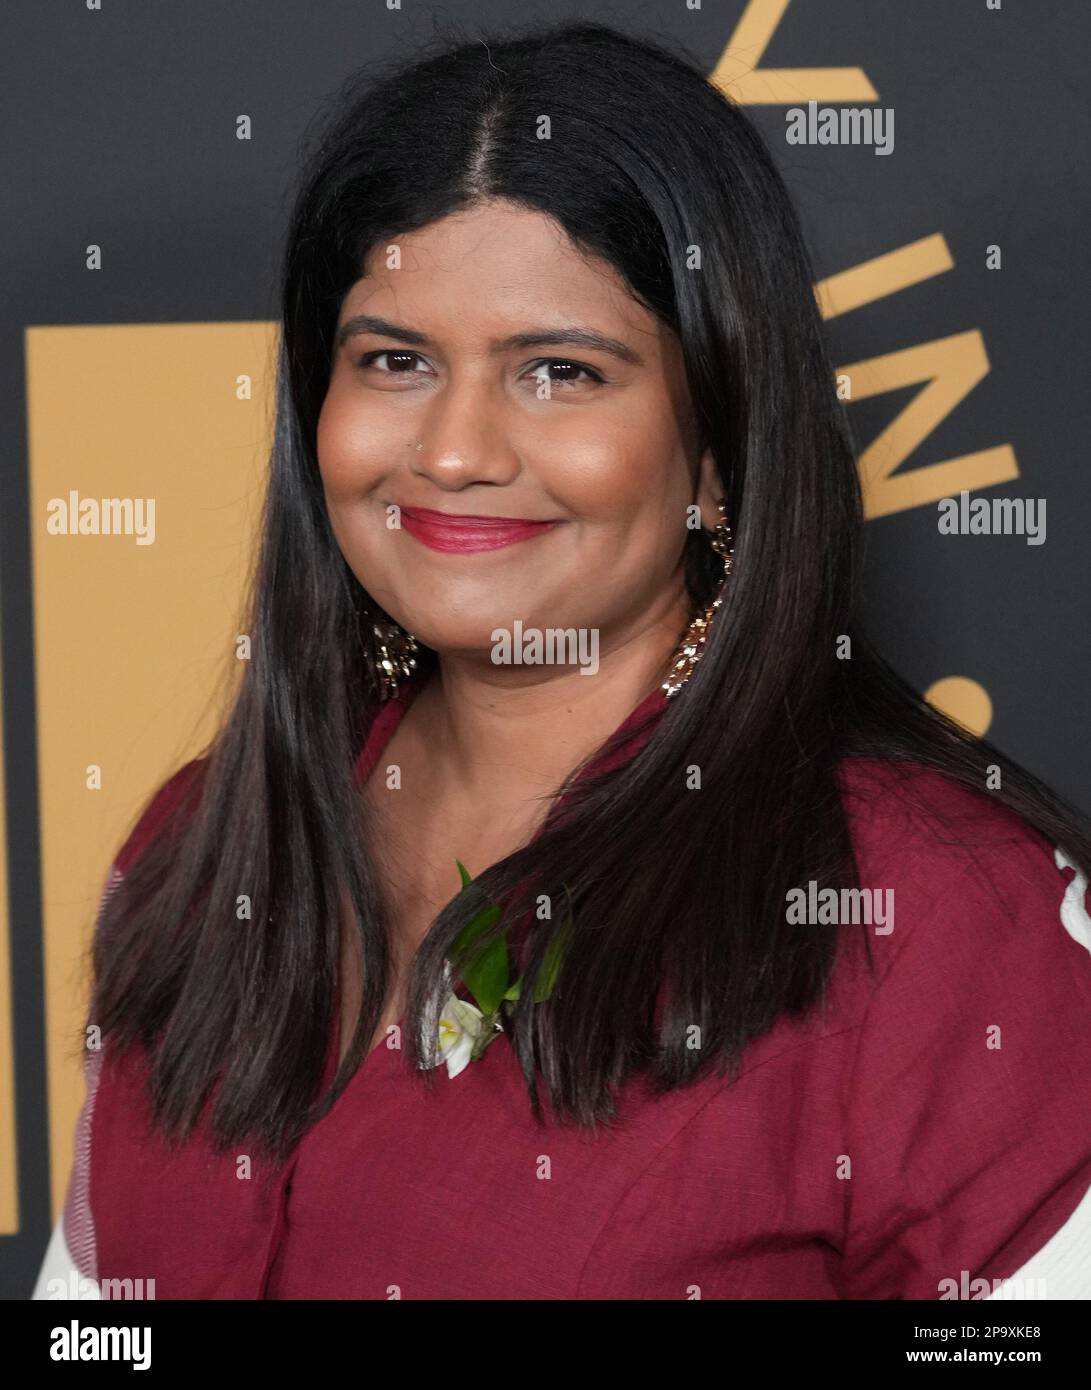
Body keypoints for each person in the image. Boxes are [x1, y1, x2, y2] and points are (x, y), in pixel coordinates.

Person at [33, 19, 1091, 1300]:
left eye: (557, 370)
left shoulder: (937, 922)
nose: (457, 449)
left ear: (716, 449)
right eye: (393, 361)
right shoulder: (198, 847)